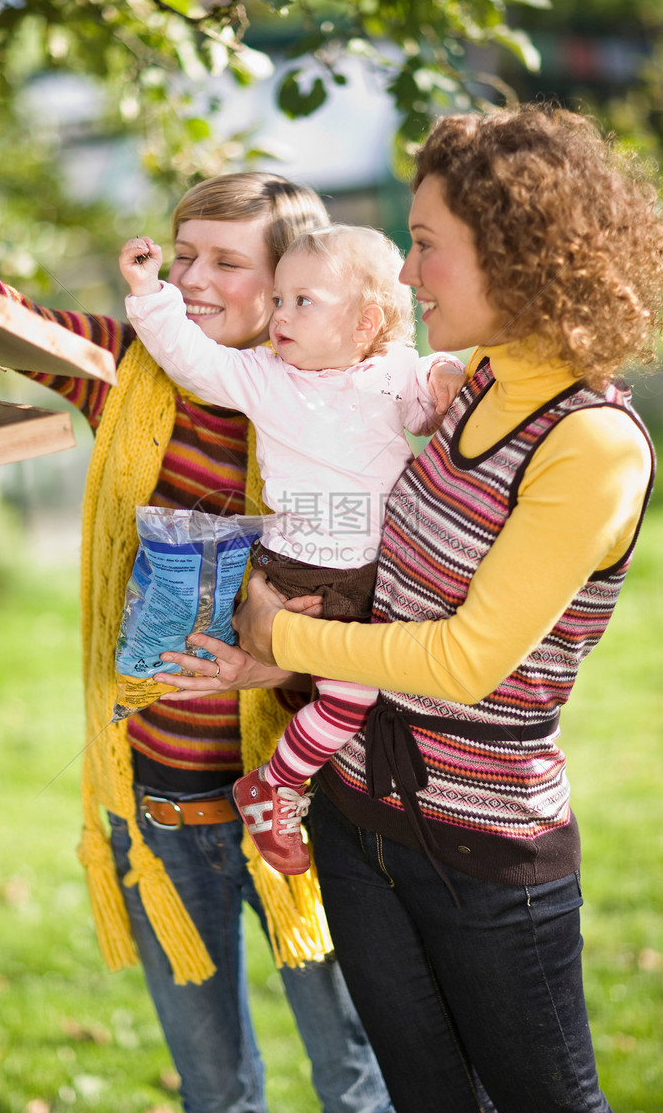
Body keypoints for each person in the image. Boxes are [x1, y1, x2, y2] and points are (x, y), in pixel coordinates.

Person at [0, 152, 430, 1113]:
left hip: (300, 813)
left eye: (227, 262)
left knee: (365, 1098)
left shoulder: (351, 416)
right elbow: (7, 314)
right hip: (162, 812)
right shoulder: (133, 372)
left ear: (291, 281)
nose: (197, 281)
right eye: (184, 259)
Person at [229, 106, 663, 1113]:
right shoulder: (463, 385)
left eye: (426, 243)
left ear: (517, 252)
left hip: (484, 853)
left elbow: (467, 658)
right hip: (350, 813)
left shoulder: (588, 443)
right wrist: (273, 644)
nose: (409, 271)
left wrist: (286, 633)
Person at [119, 223, 466, 875]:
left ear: (366, 323)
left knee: (372, 697)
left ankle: (324, 800)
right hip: (305, 576)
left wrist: (446, 375)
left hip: (381, 579)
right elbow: (194, 360)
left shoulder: (394, 372)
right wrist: (149, 293)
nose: (280, 314)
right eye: (278, 299)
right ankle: (274, 784)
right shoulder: (266, 377)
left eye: (301, 302)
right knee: (349, 698)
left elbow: (429, 403)